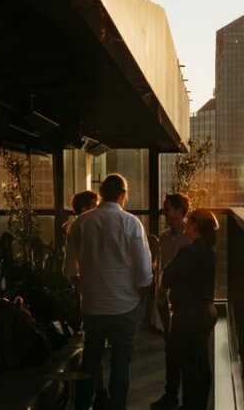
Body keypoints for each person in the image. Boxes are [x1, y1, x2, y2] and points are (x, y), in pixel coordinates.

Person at [64, 174, 152, 410]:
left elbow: (69, 268)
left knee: (90, 360)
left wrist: (82, 288)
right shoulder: (131, 223)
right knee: (120, 362)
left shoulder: (80, 223)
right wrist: (140, 299)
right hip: (125, 305)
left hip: (92, 306)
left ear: (100, 193)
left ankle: (82, 406)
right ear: (123, 195)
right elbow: (144, 273)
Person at [161, 209, 219, 410]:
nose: (185, 224)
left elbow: (167, 276)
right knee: (200, 363)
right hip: (204, 311)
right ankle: (199, 404)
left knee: (188, 365)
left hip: (188, 315)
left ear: (195, 226)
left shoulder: (189, 252)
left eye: (189, 221)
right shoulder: (208, 252)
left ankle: (189, 405)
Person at [149, 193, 191, 410]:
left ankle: (183, 396)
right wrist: (158, 295)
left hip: (183, 303)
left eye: (168, 208)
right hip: (165, 300)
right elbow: (160, 269)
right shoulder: (164, 237)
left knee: (182, 349)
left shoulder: (191, 237)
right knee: (170, 348)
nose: (165, 212)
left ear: (178, 210)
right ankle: (171, 393)